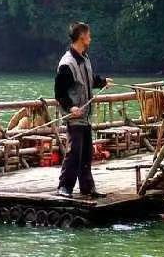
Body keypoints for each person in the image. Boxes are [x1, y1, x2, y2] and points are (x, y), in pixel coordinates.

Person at [54, 22, 111, 198]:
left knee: (86, 152)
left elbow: (88, 80)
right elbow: (59, 92)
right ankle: (64, 187)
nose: (90, 38)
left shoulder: (84, 58)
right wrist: (71, 107)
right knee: (74, 153)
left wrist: (102, 82)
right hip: (74, 116)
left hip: (85, 116)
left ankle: (87, 187)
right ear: (81, 37)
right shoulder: (66, 63)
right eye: (89, 35)